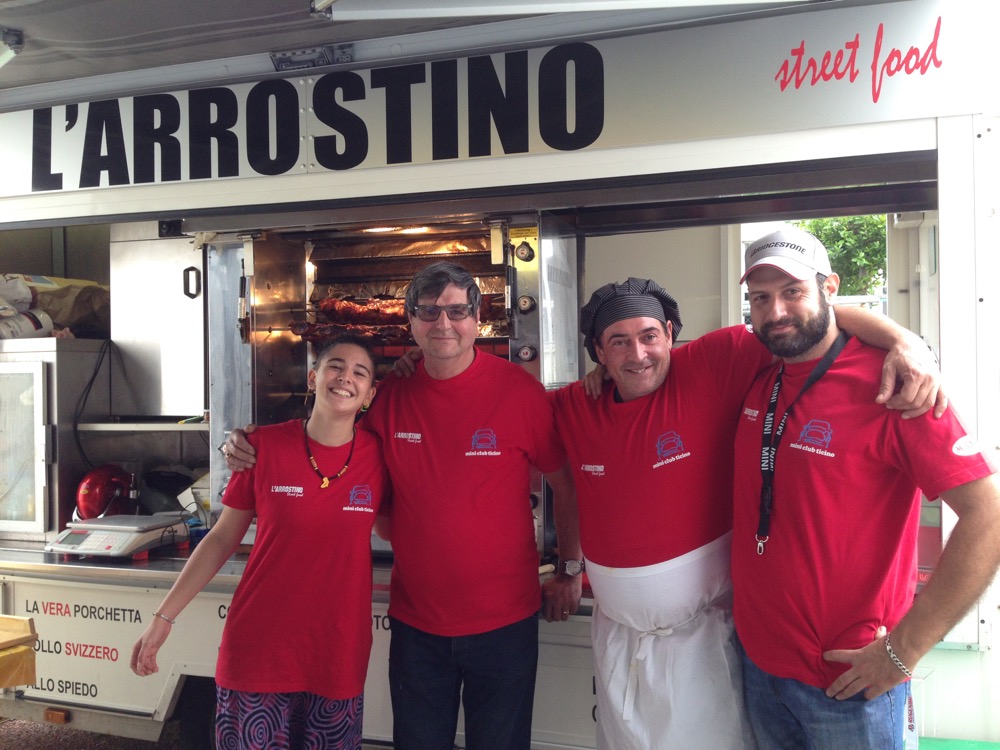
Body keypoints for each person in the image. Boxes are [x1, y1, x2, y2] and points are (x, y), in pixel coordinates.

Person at [553, 272, 941, 750]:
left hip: (707, 643)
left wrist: (904, 340)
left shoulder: (714, 361)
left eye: (649, 336)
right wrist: (569, 566)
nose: (638, 354)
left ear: (670, 334)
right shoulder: (578, 403)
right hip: (622, 643)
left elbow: (807, 323)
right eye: (618, 342)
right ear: (598, 351)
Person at [225, 261, 579, 750]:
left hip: (505, 622)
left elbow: (565, 483)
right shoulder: (390, 397)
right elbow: (334, 448)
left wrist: (570, 568)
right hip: (418, 626)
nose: (443, 323)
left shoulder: (520, 392)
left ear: (478, 319)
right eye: (429, 312)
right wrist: (246, 444)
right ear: (410, 321)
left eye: (457, 311)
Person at [731, 227, 1000, 749]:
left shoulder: (896, 385)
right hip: (760, 669)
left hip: (851, 684)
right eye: (760, 298)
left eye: (793, 291)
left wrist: (905, 651)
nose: (776, 311)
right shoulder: (762, 370)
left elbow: (987, 515)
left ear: (830, 287)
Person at [131, 335, 390, 750]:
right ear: (313, 378)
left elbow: (398, 527)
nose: (346, 378)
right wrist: (164, 617)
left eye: (360, 373)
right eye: (335, 366)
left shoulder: (380, 456)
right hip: (259, 650)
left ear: (370, 394)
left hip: (337, 651)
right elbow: (220, 539)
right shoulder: (260, 446)